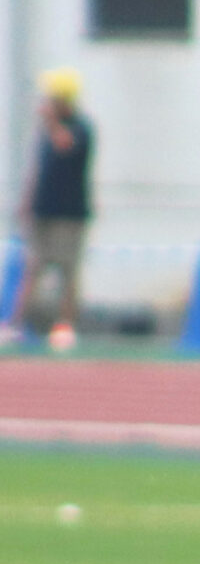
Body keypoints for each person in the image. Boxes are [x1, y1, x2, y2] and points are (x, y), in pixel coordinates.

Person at [11, 68, 93, 352]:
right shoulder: (46, 131)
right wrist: (26, 202)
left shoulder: (81, 128)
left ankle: (64, 326)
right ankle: (17, 325)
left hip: (70, 215)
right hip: (43, 211)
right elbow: (39, 169)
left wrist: (52, 123)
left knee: (68, 271)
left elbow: (65, 146)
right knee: (32, 268)